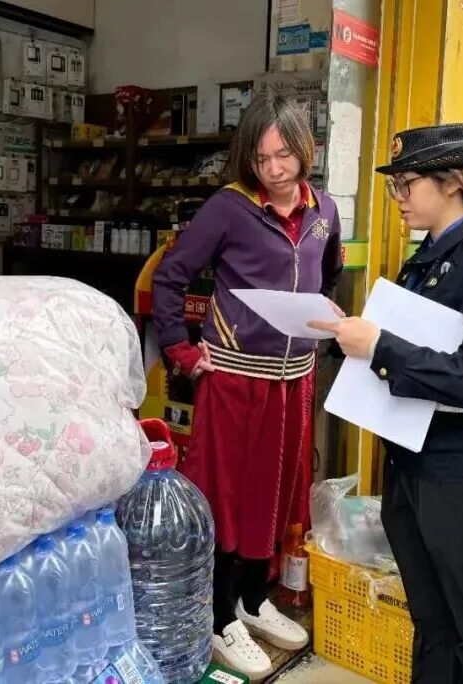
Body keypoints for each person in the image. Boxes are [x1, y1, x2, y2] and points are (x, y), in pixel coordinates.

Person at [311, 123, 463, 683]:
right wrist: (355, 341)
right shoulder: (428, 259)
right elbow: (416, 357)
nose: (399, 198)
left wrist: (380, 347)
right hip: (416, 470)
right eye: (396, 186)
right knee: (434, 626)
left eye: (407, 184)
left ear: (452, 182)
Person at [152, 94, 343, 679]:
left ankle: (254, 600)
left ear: (306, 150)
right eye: (262, 159)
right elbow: (170, 276)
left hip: (295, 383)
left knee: (278, 494)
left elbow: (327, 274)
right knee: (227, 497)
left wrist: (322, 319)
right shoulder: (228, 209)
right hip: (235, 381)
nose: (274, 169)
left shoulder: (325, 211)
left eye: (284, 155)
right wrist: (182, 349)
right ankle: (216, 618)